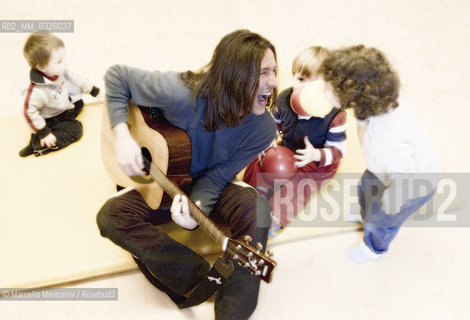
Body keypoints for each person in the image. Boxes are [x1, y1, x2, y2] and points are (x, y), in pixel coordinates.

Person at [96, 29, 278, 319]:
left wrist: (196, 214)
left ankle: (232, 310)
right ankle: (196, 281)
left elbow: (217, 178)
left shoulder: (263, 129)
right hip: (165, 176)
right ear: (233, 77)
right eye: (263, 73)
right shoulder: (180, 92)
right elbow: (117, 76)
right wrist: (121, 135)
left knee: (257, 209)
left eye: (274, 70)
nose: (274, 82)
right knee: (111, 216)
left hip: (203, 183)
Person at [321, 45, 440, 263]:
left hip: (410, 184)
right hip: (383, 168)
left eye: (331, 88)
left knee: (383, 220)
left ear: (356, 96)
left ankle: (374, 247)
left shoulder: (386, 140)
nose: (324, 90)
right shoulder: (379, 100)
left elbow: (403, 176)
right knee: (365, 188)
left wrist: (394, 200)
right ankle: (366, 215)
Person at [243, 46, 347, 238]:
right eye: (300, 79)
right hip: (288, 149)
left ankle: (271, 222)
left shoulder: (335, 115)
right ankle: (251, 197)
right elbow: (274, 123)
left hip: (315, 164)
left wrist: (316, 154)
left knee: (298, 187)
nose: (304, 89)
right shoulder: (284, 99)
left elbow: (338, 150)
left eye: (315, 84)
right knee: (261, 160)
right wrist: (270, 139)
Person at [19, 32, 102, 157]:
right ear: (41, 67)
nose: (65, 63)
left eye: (64, 59)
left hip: (60, 105)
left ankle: (65, 117)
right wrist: (44, 132)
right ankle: (38, 144)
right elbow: (28, 112)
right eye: (59, 61)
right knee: (75, 130)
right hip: (49, 118)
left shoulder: (60, 70)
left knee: (79, 103)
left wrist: (93, 90)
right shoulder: (35, 91)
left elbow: (77, 78)